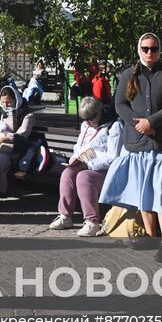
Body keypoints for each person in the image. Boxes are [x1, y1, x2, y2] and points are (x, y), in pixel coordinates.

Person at [103, 33, 162, 261]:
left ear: (159, 50)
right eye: (145, 48)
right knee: (144, 193)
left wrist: (152, 122)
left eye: (154, 48)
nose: (149, 52)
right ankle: (151, 236)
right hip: (137, 143)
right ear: (139, 49)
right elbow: (120, 104)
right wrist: (139, 124)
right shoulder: (127, 74)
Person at [49, 96, 122, 236]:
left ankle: (92, 222)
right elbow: (80, 147)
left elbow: (113, 158)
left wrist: (88, 164)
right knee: (68, 173)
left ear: (99, 112)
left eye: (90, 119)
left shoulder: (114, 126)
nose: (88, 122)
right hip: (87, 163)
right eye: (84, 119)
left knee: (84, 177)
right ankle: (65, 216)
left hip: (108, 171)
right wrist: (76, 159)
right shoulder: (86, 125)